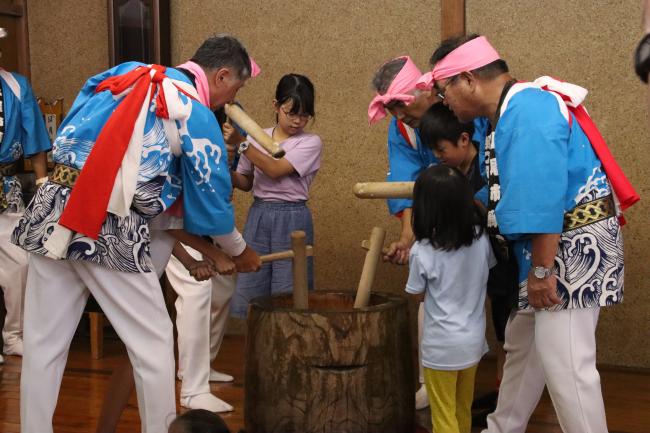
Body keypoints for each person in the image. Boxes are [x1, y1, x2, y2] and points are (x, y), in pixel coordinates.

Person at [12, 34, 260, 433]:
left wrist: (199, 255)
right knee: (154, 344)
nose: (231, 98)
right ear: (223, 75)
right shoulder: (191, 110)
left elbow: (138, 191)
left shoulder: (121, 76)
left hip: (54, 207)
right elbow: (213, 196)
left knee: (43, 345)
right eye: (238, 87)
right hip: (107, 224)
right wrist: (239, 249)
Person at [425, 33, 635, 433]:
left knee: (569, 367)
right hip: (553, 249)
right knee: (523, 348)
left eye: (443, 89)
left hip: (568, 251)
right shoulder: (510, 111)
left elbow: (541, 194)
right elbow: (510, 190)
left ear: (467, 79)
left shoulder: (528, 107)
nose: (444, 101)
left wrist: (541, 272)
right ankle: (502, 428)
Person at [419, 103, 517, 402]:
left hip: (500, 260)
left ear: (464, 139)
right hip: (465, 268)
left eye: (441, 148)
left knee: (506, 330)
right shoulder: (445, 175)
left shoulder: (489, 166)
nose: (438, 156)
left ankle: (505, 393)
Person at [406, 164, 496, 433]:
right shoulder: (481, 239)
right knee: (461, 410)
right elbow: (486, 269)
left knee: (443, 417)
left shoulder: (422, 250)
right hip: (473, 342)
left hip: (441, 347)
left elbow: (416, 294)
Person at [228, 73, 322, 319]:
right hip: (259, 215)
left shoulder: (311, 142)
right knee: (253, 286)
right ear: (276, 106)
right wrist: (225, 173)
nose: (297, 121)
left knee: (290, 293)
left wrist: (242, 144)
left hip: (293, 218)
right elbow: (246, 182)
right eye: (291, 112)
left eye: (304, 115)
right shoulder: (255, 136)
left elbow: (275, 169)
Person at [0, 27, 51, 364]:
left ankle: (13, 335)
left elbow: (35, 140)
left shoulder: (17, 85)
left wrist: (45, 186)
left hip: (5, 187)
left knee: (19, 263)